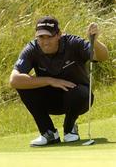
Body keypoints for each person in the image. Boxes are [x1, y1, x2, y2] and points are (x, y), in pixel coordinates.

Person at [10, 16, 108, 147]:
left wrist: (94, 41)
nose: (45, 42)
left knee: (77, 93)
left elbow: (103, 57)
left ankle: (70, 128)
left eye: (49, 37)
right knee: (23, 85)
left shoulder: (73, 43)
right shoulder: (32, 49)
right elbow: (14, 80)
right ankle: (48, 132)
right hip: (50, 101)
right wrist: (50, 80)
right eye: (41, 37)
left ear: (59, 35)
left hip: (79, 98)